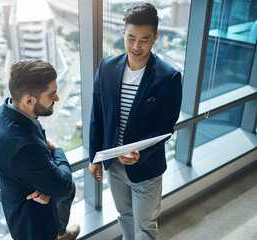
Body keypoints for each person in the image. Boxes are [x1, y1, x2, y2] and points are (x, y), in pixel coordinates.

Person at [89, 3, 182, 240]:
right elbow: (97, 117)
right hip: (114, 165)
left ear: (155, 38)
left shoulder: (168, 77)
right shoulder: (106, 67)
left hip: (147, 167)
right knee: (124, 217)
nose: (136, 46)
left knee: (145, 227)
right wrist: (95, 158)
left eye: (144, 39)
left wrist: (139, 150)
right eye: (131, 38)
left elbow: (164, 128)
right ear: (123, 33)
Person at [0, 59, 80, 240]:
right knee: (68, 187)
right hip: (35, 224)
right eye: (52, 94)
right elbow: (63, 186)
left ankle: (61, 234)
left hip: (26, 189)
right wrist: (58, 148)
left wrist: (45, 183)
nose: (57, 98)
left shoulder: (4, 111)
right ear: (29, 100)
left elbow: (36, 138)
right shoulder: (24, 147)